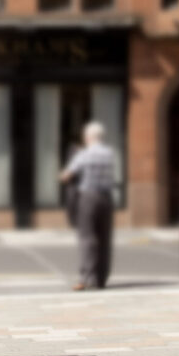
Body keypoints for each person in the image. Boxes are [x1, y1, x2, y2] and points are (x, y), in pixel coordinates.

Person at [60, 121, 116, 291]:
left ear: (88, 137)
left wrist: (63, 174)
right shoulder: (109, 153)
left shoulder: (84, 154)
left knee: (87, 238)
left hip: (88, 197)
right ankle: (101, 278)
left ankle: (86, 277)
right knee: (105, 238)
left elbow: (67, 175)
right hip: (106, 198)